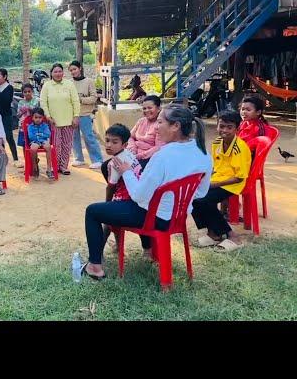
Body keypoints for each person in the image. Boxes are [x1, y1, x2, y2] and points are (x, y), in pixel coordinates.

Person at [74, 105, 212, 281]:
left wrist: (127, 171)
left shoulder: (163, 156)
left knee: (92, 211)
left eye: (160, 122)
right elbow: (201, 192)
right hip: (177, 217)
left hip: (153, 217)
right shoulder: (203, 152)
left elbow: (139, 196)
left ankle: (94, 267)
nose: (156, 126)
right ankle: (149, 250)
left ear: (175, 126)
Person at [192, 110, 251, 252]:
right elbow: (214, 166)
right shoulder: (217, 142)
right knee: (192, 195)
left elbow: (239, 177)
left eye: (229, 127)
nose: (224, 130)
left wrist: (212, 184)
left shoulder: (239, 148)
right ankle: (214, 234)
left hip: (233, 183)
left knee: (204, 199)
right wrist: (204, 178)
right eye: (221, 126)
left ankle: (233, 236)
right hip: (217, 178)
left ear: (237, 129)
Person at [100, 124, 146, 255]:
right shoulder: (129, 154)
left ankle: (99, 252)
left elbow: (111, 186)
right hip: (138, 195)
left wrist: (107, 203)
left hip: (127, 198)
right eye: (107, 140)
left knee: (106, 218)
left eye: (115, 142)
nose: (109, 145)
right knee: (110, 219)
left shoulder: (115, 162)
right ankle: (119, 247)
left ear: (124, 145)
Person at [39, 63, 80, 175]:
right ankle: (55, 166)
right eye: (55, 72)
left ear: (63, 73)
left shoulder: (69, 84)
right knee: (56, 146)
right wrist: (47, 116)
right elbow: (43, 102)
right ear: (51, 73)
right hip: (53, 122)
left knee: (67, 145)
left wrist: (76, 116)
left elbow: (75, 101)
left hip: (68, 121)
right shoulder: (47, 86)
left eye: (60, 71)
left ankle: (64, 167)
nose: (58, 74)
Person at [68, 61, 104, 169]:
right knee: (74, 137)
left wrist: (80, 99)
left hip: (85, 114)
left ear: (80, 68)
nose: (73, 72)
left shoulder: (89, 82)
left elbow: (93, 98)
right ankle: (78, 158)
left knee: (88, 136)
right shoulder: (69, 83)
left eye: (75, 69)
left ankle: (97, 159)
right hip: (73, 114)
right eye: (71, 70)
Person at [0, 68, 21, 167]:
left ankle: (15, 159)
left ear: (5, 77)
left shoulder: (9, 88)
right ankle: (1, 158)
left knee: (9, 137)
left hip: (6, 116)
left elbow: (6, 101)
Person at [127, 94, 165, 169]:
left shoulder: (160, 125)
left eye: (150, 108)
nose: (146, 110)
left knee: (127, 169)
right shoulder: (141, 121)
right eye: (144, 108)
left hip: (149, 158)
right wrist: (133, 149)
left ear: (158, 109)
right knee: (108, 165)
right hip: (133, 154)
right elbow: (130, 136)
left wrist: (139, 156)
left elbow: (159, 147)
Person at [26, 107, 55, 179]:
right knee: (33, 148)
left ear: (42, 118)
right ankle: (35, 166)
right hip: (34, 141)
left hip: (44, 141)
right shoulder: (30, 126)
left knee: (48, 146)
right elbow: (31, 136)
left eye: (40, 117)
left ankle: (49, 169)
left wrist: (40, 136)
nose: (38, 119)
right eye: (36, 117)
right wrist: (41, 135)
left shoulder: (45, 125)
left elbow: (48, 134)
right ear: (32, 118)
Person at [16, 83, 39, 148]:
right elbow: (18, 115)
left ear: (32, 91)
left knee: (34, 144)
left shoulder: (36, 101)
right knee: (24, 144)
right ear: (22, 93)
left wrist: (31, 110)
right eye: (25, 92)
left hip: (34, 126)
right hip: (23, 126)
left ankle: (34, 157)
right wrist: (22, 112)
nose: (27, 93)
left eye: (29, 91)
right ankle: (26, 157)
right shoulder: (21, 102)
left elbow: (39, 113)